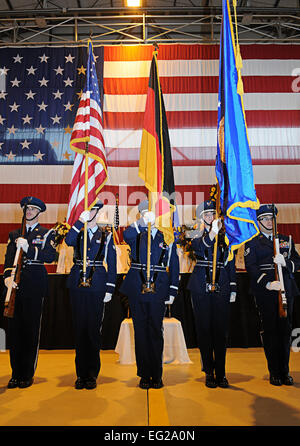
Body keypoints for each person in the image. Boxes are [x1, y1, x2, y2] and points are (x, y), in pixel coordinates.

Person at [120, 199, 179, 389]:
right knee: (141, 332)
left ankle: (157, 374)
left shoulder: (166, 235)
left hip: (159, 287)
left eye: (151, 213)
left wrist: (172, 289)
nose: (149, 216)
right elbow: (125, 235)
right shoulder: (136, 233)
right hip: (137, 286)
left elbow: (174, 263)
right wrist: (141, 222)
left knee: (155, 331)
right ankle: (144, 374)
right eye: (144, 213)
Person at [3, 196, 57, 389]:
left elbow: (51, 256)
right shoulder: (15, 233)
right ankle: (15, 373)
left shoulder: (46, 233)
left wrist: (30, 249)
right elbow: (9, 259)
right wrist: (7, 277)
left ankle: (27, 373)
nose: (29, 212)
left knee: (30, 331)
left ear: (39, 212)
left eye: (33, 209)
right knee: (15, 332)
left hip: (34, 285)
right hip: (16, 286)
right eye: (27, 209)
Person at [244, 204, 300, 386]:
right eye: (265, 219)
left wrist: (286, 263)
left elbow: (297, 262)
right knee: (270, 332)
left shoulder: (286, 240)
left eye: (271, 218)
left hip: (287, 290)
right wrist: (267, 283)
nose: (269, 221)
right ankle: (274, 371)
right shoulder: (253, 242)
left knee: (285, 332)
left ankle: (285, 371)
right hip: (266, 293)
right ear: (258, 222)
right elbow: (251, 267)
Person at [65, 200, 116, 389]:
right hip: (78, 283)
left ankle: (92, 373)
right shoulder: (78, 232)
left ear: (98, 212)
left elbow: (112, 262)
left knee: (93, 330)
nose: (90, 212)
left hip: (97, 285)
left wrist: (110, 288)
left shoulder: (106, 235)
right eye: (88, 210)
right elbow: (68, 241)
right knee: (80, 330)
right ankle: (81, 374)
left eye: (93, 210)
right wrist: (79, 222)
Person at [187, 200, 237, 388]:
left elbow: (230, 262)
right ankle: (209, 371)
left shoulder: (226, 237)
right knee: (204, 331)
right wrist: (213, 232)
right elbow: (201, 247)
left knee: (220, 332)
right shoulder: (194, 233)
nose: (210, 217)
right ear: (201, 218)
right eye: (207, 215)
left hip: (222, 285)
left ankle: (221, 372)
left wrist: (232, 287)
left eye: (213, 214)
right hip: (200, 287)